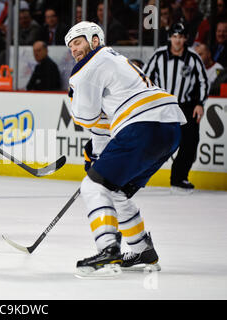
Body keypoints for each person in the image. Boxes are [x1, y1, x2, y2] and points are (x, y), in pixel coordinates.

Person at [65, 21, 186, 277]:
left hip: (143, 125)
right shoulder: (114, 60)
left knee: (92, 186)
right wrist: (98, 154)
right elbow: (107, 122)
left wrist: (76, 96)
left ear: (95, 40)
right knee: (115, 191)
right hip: (170, 126)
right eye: (70, 46)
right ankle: (141, 249)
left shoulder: (87, 67)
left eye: (78, 42)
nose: (74, 50)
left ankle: (108, 250)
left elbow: (85, 118)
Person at [144, 23, 209, 193]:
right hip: (162, 106)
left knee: (190, 142)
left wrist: (200, 103)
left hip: (185, 107)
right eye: (174, 36)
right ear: (170, 37)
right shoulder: (159, 56)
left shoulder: (193, 58)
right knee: (151, 142)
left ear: (186, 38)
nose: (177, 40)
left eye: (180, 37)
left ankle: (179, 179)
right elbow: (145, 78)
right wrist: (149, 101)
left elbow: (203, 82)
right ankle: (134, 176)